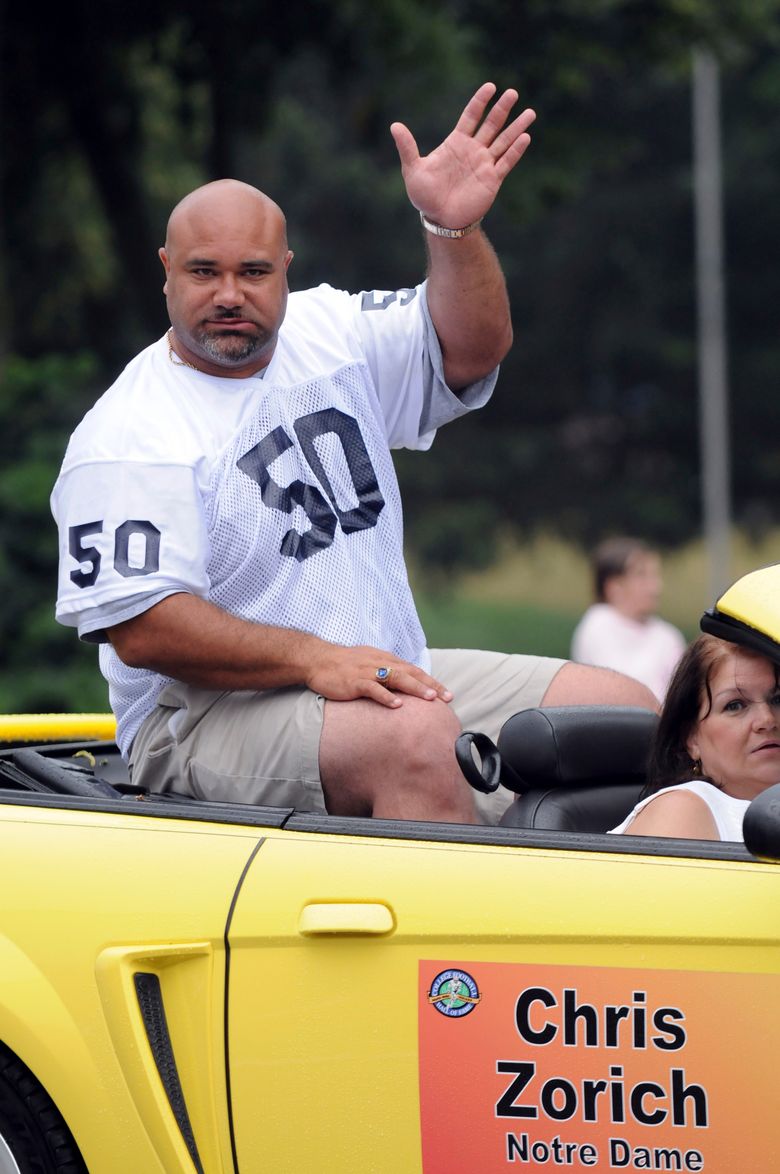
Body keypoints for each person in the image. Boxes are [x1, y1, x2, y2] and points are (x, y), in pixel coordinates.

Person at [51, 83, 657, 826]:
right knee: (411, 736)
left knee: (625, 713)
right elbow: (144, 627)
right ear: (167, 269)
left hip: (379, 674)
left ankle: (609, 927)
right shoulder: (127, 433)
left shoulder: (328, 329)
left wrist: (451, 230)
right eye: (205, 272)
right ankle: (473, 937)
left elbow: (472, 349)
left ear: (287, 268)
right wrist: (315, 659)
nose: (230, 294)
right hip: (201, 721)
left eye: (255, 271)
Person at [611, 634, 780, 841]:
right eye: (735, 705)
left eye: (778, 699)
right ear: (691, 738)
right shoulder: (682, 809)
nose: (767, 719)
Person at [571, 536, 686, 702]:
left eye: (655, 575)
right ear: (613, 587)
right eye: (642, 575)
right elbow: (613, 692)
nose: (655, 587)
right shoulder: (597, 624)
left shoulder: (667, 636)